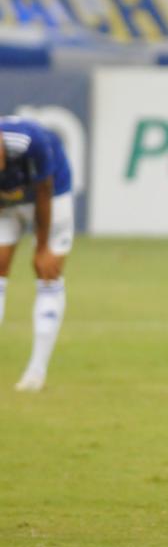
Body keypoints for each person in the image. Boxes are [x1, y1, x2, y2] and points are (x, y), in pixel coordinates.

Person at [0, 116, 73, 393]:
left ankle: (36, 371)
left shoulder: (32, 141)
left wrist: (42, 247)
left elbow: (44, 190)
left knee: (48, 270)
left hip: (51, 194)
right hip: (6, 201)